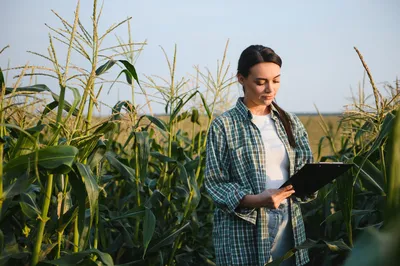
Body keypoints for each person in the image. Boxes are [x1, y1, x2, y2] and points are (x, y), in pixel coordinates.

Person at [204, 45, 316, 266]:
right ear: (241, 79)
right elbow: (215, 182)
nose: (270, 89)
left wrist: (316, 178)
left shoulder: (290, 122)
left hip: (289, 220)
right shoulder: (224, 125)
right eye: (260, 82)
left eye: (276, 80)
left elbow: (305, 167)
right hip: (243, 224)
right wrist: (258, 200)